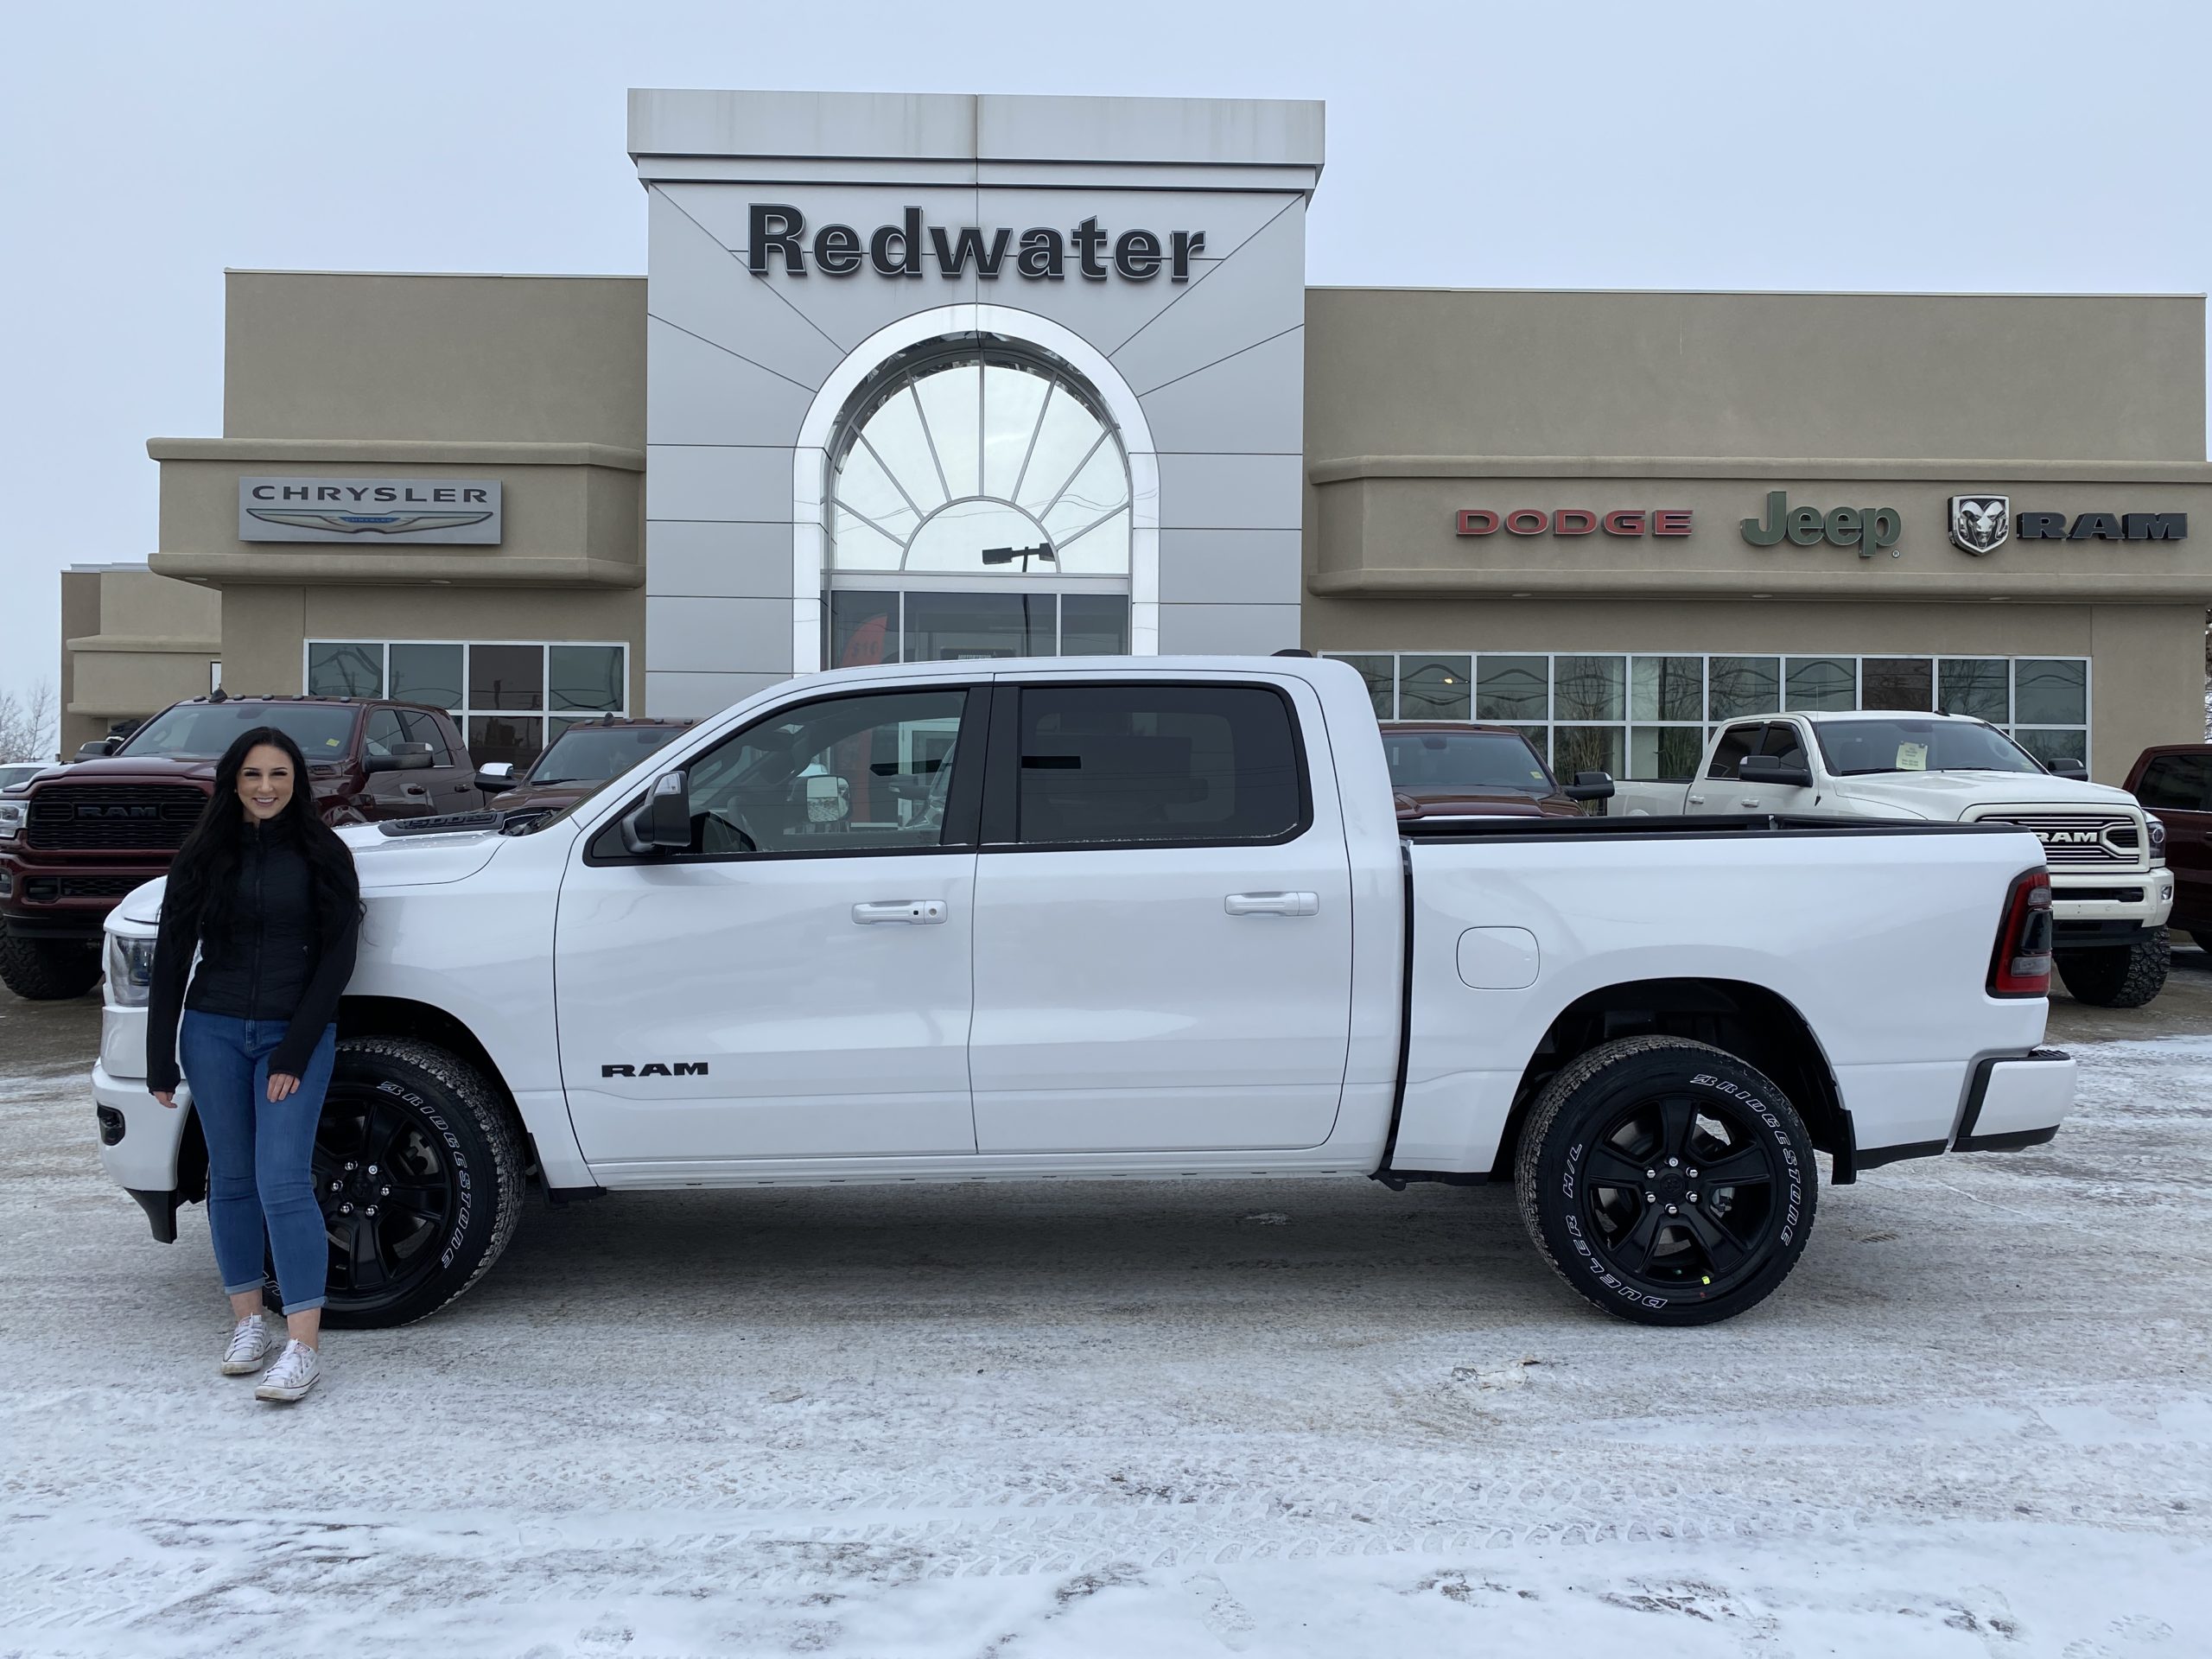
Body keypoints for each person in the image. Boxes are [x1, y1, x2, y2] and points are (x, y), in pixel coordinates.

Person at [146, 725, 360, 1402]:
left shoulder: (322, 852)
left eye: (278, 776)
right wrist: (159, 1057)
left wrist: (294, 1049)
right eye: (252, 776)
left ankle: (303, 1345)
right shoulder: (204, 855)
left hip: (289, 1035)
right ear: (232, 782)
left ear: (297, 783)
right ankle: (248, 1325)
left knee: (283, 1183)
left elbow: (338, 957)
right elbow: (174, 955)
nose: (265, 788)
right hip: (210, 1032)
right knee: (230, 1180)